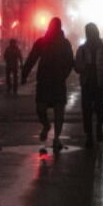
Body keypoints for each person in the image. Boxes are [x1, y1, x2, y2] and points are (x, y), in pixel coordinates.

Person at [22, 17, 75, 150]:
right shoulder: (42, 42)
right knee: (40, 109)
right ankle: (46, 125)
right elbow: (32, 58)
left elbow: (70, 61)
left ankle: (56, 138)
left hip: (57, 82)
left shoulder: (65, 43)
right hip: (44, 81)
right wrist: (24, 74)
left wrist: (63, 74)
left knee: (59, 112)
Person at [73, 22, 103, 148]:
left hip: (100, 83)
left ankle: (98, 128)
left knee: (100, 110)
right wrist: (83, 68)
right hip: (87, 83)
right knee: (86, 111)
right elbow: (77, 66)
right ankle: (89, 136)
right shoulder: (82, 49)